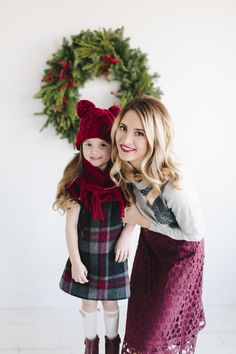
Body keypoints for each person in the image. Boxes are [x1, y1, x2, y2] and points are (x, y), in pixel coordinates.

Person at [110, 95, 206, 354]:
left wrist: (142, 222)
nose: (126, 140)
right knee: (142, 323)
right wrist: (128, 233)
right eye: (123, 128)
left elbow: (194, 233)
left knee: (160, 329)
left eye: (139, 133)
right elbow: (131, 204)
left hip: (182, 256)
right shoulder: (128, 166)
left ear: (155, 138)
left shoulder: (175, 186)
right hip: (152, 248)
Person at [53, 100, 134, 354]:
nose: (95, 151)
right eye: (88, 144)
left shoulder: (121, 178)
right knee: (89, 304)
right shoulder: (77, 181)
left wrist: (126, 236)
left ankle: (112, 344)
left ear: (112, 146)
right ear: (80, 145)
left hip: (113, 254)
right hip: (87, 254)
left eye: (102, 144)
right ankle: (91, 345)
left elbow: (134, 211)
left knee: (111, 305)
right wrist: (76, 262)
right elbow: (70, 225)